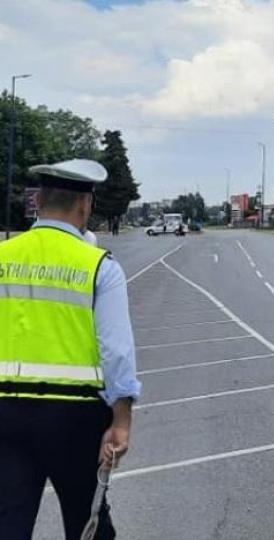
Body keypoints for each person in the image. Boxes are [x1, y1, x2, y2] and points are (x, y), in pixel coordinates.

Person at [0, 159, 140, 540]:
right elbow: (115, 351)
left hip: (6, 413)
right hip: (74, 418)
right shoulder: (98, 267)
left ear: (40, 202)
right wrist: (121, 421)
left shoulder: (2, 257)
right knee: (88, 520)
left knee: (8, 521)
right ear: (84, 205)